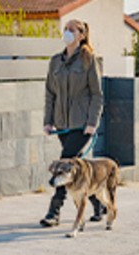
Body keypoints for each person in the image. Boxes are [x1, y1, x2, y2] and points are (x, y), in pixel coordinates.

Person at [40, 19, 104, 227]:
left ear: (81, 35)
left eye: (72, 30)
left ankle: (54, 211)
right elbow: (50, 93)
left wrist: (92, 122)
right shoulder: (55, 61)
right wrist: (48, 121)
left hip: (82, 125)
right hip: (62, 125)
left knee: (64, 164)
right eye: (65, 29)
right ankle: (97, 203)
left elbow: (97, 95)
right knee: (76, 166)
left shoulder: (89, 60)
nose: (67, 33)